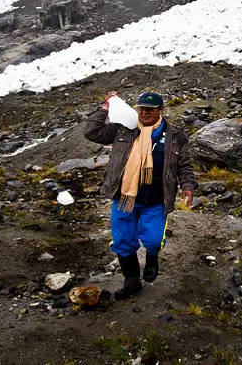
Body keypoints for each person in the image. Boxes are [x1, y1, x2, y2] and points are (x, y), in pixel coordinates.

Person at [83, 91, 197, 300]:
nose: (144, 112)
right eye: (141, 108)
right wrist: (105, 108)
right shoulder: (124, 128)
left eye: (150, 109)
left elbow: (184, 165)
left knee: (153, 240)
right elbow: (92, 132)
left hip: (156, 200)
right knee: (122, 241)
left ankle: (152, 257)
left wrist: (188, 186)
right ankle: (131, 280)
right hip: (124, 198)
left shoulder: (175, 136)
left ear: (160, 111)